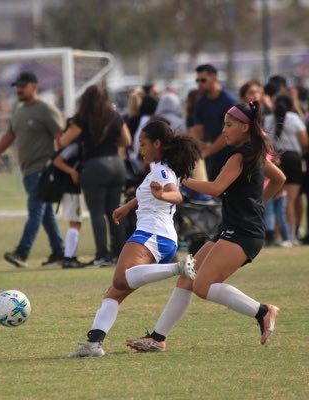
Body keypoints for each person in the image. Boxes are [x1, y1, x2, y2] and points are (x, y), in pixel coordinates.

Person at [125, 101, 286, 353]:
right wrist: (260, 202)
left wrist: (184, 180)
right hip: (231, 228)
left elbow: (215, 189)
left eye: (229, 125)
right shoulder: (253, 153)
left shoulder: (240, 156)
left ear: (245, 127)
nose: (224, 130)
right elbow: (279, 179)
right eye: (224, 124)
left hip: (243, 232)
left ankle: (263, 311)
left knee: (201, 286)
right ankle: (157, 338)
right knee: (187, 278)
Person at [69, 117, 201, 357]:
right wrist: (128, 206)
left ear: (157, 144)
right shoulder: (158, 169)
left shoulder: (162, 171)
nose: (139, 148)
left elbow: (176, 196)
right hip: (162, 239)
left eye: (143, 143)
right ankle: (93, 344)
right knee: (114, 292)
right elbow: (148, 194)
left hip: (152, 234)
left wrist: (163, 196)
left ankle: (179, 268)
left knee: (120, 279)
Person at [0, 71, 65, 268]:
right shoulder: (19, 110)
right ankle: (60, 252)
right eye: (17, 86)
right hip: (28, 171)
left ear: (34, 86)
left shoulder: (45, 109)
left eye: (23, 85)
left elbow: (62, 136)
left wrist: (63, 164)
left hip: (43, 169)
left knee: (35, 212)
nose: (19, 89)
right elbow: (10, 135)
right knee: (45, 214)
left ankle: (22, 252)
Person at [58, 84, 132, 266]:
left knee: (97, 213)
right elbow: (127, 140)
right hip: (116, 164)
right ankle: (119, 253)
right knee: (115, 211)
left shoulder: (83, 118)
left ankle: (102, 255)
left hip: (95, 166)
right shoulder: (114, 115)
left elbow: (63, 142)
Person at [264, 94, 308, 244]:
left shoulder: (269, 118)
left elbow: (267, 143)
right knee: (290, 200)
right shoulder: (294, 118)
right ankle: (289, 236)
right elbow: (304, 141)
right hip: (294, 160)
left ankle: (276, 236)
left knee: (276, 199)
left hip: (276, 160)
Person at [193, 64, 238, 181]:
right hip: (214, 156)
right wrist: (197, 147)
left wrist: (207, 151)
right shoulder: (201, 103)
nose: (200, 84)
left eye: (203, 80)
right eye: (197, 80)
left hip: (233, 154)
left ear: (214, 79)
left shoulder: (229, 101)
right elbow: (198, 130)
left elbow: (229, 133)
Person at [52, 135, 85, 269]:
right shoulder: (75, 145)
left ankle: (71, 255)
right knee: (74, 222)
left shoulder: (78, 144)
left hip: (74, 189)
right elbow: (57, 161)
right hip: (71, 189)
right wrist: (72, 172)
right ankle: (68, 257)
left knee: (77, 222)